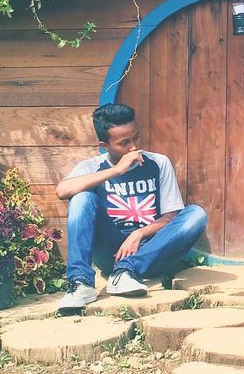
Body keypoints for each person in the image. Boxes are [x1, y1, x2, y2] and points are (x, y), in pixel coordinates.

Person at [54, 103, 207, 311]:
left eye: (136, 137)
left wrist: (139, 234)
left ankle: (125, 273)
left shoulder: (158, 163)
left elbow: (171, 217)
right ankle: (80, 283)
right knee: (81, 198)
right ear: (104, 145)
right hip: (111, 252)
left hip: (151, 251)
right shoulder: (93, 167)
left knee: (196, 215)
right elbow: (62, 190)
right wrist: (117, 170)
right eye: (124, 143)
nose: (133, 147)